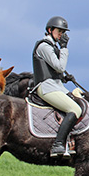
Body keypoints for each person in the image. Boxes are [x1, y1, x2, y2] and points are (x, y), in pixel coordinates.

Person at [32, 16, 81, 157]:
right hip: (46, 88)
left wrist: (64, 78)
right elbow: (59, 67)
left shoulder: (52, 47)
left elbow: (55, 71)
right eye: (59, 31)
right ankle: (58, 144)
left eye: (63, 32)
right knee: (74, 109)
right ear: (50, 30)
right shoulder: (44, 46)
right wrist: (64, 48)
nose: (61, 35)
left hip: (54, 86)